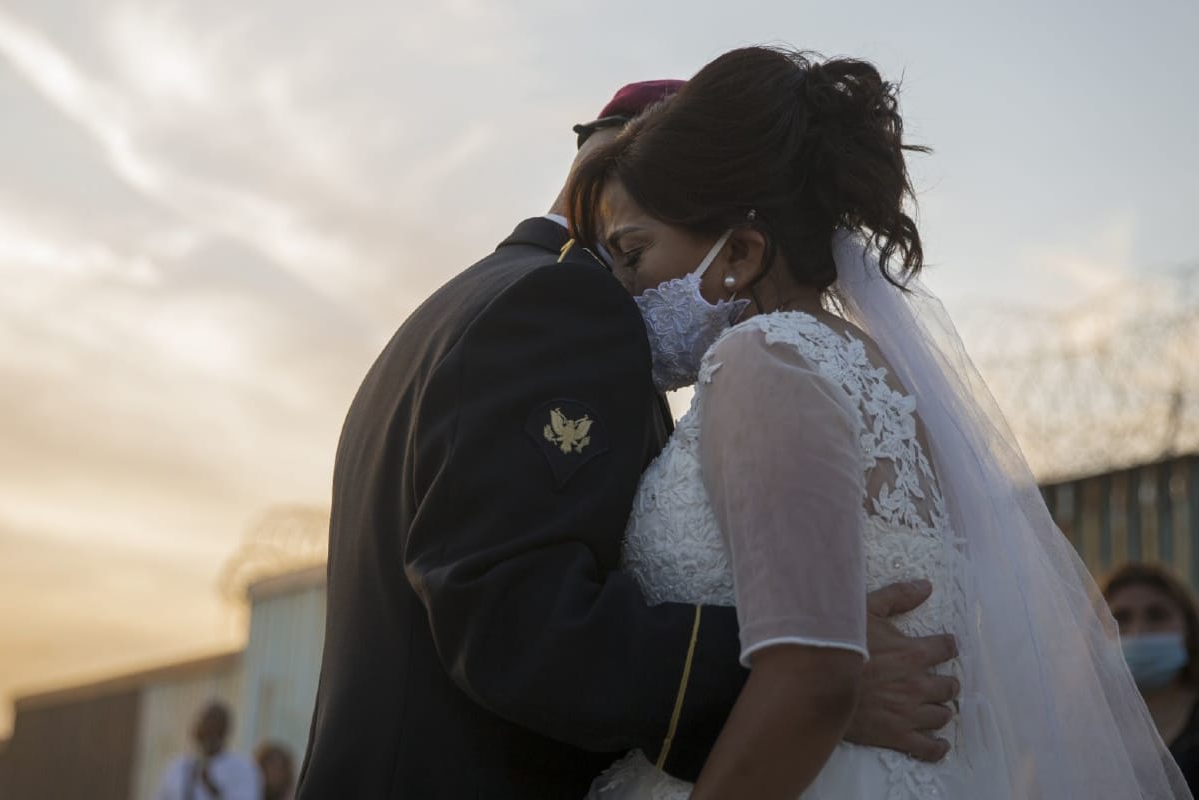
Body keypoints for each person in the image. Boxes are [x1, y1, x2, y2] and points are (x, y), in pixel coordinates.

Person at [295, 80, 959, 798]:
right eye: (627, 250)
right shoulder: (563, 303)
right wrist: (793, 677)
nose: (632, 282)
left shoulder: (469, 300)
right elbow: (512, 612)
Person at [568, 46, 1191, 798]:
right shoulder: (871, 375)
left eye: (635, 254)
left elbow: (814, 677)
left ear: (738, 250)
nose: (626, 287)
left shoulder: (765, 360)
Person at [1105, 562, 1199, 791]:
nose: (1139, 632)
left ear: (1188, 630)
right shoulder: (1078, 726)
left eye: (1157, 615)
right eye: (1121, 618)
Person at [155, 702, 260, 800]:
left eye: (215, 729)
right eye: (205, 727)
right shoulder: (178, 766)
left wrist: (212, 787)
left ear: (225, 732)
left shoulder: (242, 768)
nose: (209, 734)